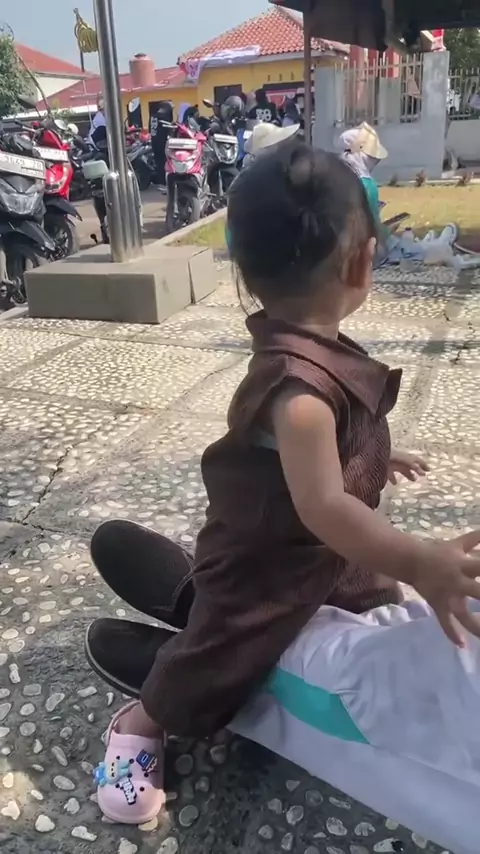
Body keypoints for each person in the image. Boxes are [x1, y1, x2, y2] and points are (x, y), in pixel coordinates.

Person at [85, 143, 480, 850]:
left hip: (326, 555)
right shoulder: (298, 394)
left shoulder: (318, 352)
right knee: (226, 653)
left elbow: (331, 457)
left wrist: (377, 454)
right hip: (267, 563)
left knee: (373, 620)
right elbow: (323, 504)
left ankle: (214, 624)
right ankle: (144, 718)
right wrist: (420, 560)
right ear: (363, 261)